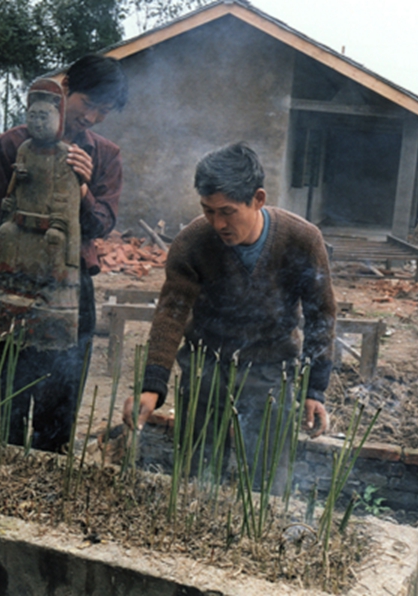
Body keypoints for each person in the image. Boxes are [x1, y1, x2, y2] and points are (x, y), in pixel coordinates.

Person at [123, 142, 336, 491]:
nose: (218, 223)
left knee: (267, 485)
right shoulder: (192, 242)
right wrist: (153, 385)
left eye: (228, 211)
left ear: (259, 199)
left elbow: (321, 316)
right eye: (208, 211)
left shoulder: (302, 240)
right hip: (206, 371)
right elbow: (172, 312)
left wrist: (315, 389)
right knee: (196, 480)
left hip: (269, 374)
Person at [0, 54, 128, 453]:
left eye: (104, 111)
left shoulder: (105, 156)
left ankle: (45, 480)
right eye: (89, 104)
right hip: (13, 280)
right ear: (65, 90)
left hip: (70, 289)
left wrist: (81, 186)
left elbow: (100, 225)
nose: (93, 118)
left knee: (58, 402)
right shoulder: (11, 145)